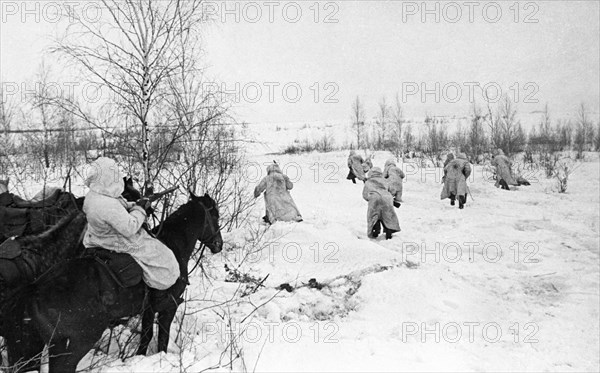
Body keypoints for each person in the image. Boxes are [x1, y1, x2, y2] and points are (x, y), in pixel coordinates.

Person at [82, 157, 183, 309]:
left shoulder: (95, 195)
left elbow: (116, 209)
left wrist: (135, 204)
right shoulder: (106, 203)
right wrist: (141, 209)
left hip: (98, 236)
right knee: (164, 257)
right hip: (116, 240)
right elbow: (130, 227)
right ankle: (159, 299)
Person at [362, 167, 401, 239]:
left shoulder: (368, 182)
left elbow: (365, 195)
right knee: (388, 216)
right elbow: (392, 190)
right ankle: (389, 232)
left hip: (374, 198)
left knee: (374, 215)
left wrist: (370, 198)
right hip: (387, 198)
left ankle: (375, 231)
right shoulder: (386, 181)